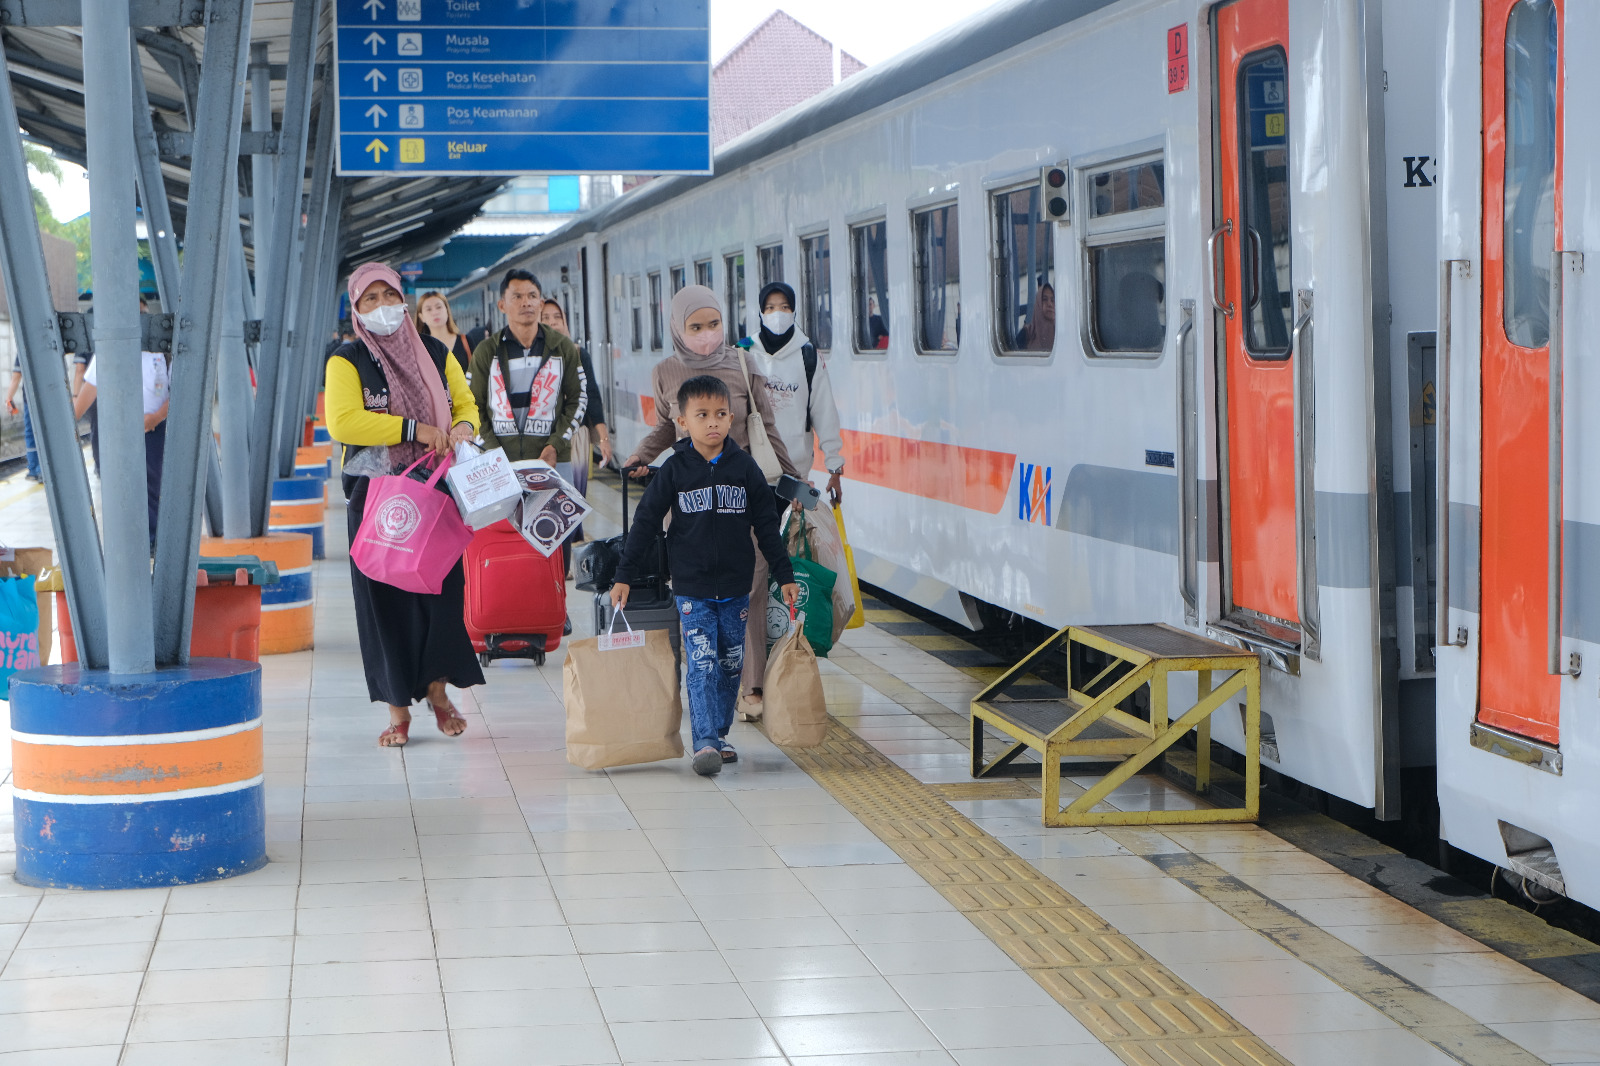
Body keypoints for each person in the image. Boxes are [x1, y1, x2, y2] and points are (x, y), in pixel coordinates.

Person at [620, 286, 802, 717]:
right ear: (679, 329)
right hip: (690, 503)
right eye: (696, 327)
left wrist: (794, 478)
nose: (707, 334)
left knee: (753, 589)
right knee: (701, 601)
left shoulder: (743, 364)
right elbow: (669, 427)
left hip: (741, 494)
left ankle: (751, 687)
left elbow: (766, 426)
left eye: (714, 324)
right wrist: (642, 455)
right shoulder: (666, 371)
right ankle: (710, 683)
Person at [325, 263, 482, 748]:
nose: (380, 308)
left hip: (435, 491)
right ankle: (398, 710)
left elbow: (465, 403)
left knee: (439, 597)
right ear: (356, 310)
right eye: (368, 300)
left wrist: (463, 429)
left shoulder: (436, 350)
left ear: (404, 300)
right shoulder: (346, 360)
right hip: (376, 498)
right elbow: (344, 423)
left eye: (386, 296)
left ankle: (437, 691)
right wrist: (412, 429)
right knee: (383, 605)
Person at [610, 375, 799, 776]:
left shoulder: (745, 469)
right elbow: (644, 524)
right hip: (691, 588)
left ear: (731, 418)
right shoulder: (674, 471)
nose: (712, 422)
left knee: (731, 662)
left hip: (736, 588)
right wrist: (623, 575)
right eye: (701, 415)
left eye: (719, 414)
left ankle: (720, 731)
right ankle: (705, 742)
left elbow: (766, 527)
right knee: (701, 662)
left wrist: (784, 576)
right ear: (683, 422)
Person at [467, 269, 587, 482]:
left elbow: (579, 399)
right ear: (502, 305)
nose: (526, 303)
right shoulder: (486, 351)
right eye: (517, 296)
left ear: (541, 304)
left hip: (553, 460)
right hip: (498, 463)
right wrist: (493, 451)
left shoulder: (562, 348)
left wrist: (555, 445)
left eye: (532, 296)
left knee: (555, 517)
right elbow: (472, 404)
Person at [72, 297, 168, 546]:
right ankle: (128, 542)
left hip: (153, 429)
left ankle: (152, 540)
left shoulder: (163, 350)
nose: (141, 322)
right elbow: (88, 390)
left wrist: (155, 418)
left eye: (144, 315)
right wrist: (67, 426)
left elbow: (176, 392)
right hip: (115, 432)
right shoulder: (108, 352)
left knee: (151, 486)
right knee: (117, 486)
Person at [749, 282, 846, 505]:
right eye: (770, 308)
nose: (778, 314)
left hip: (794, 474)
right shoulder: (744, 352)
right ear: (761, 313)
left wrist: (835, 468)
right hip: (750, 471)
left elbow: (825, 413)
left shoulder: (808, 355)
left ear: (794, 311)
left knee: (790, 538)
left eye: (784, 307)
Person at [540, 297, 611, 493]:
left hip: (574, 437)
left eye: (557, 317)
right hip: (539, 439)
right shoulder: (528, 358)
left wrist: (603, 439)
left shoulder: (578, 354)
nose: (552, 322)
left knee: (573, 498)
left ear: (564, 322)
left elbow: (592, 396)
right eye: (545, 317)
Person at [3, 355, 42, 482]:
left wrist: (9, 398)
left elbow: (16, 377)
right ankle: (42, 469)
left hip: (30, 398)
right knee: (45, 433)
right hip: (48, 398)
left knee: (31, 433)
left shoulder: (24, 343)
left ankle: (33, 469)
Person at [415, 290, 473, 374]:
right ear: (421, 317)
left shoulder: (466, 341)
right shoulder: (420, 347)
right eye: (429, 309)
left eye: (439, 307)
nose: (435, 313)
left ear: (447, 310)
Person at [1017, 281, 1056, 351]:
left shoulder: (1061, 334)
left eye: (1052, 300)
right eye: (1045, 299)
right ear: (1038, 304)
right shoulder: (1026, 334)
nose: (1049, 304)